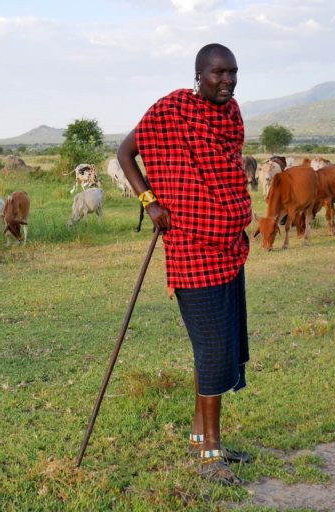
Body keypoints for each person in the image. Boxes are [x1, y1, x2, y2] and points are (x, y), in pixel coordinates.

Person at [116, 43, 252, 485]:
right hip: (192, 249)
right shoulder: (171, 110)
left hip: (229, 247)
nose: (227, 80)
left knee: (217, 346)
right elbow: (124, 153)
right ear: (199, 75)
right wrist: (149, 200)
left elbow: (226, 173)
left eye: (233, 72)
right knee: (212, 349)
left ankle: (201, 436)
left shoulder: (230, 118)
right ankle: (210, 456)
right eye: (218, 73)